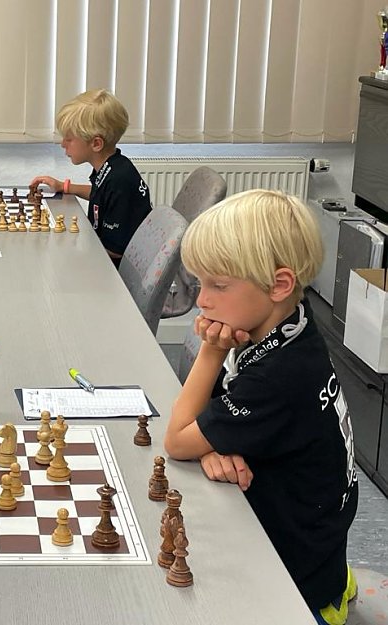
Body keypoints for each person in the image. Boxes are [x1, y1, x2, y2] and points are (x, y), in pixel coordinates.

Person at [164, 190, 358, 625]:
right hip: (320, 536)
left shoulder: (277, 377)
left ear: (279, 284)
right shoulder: (292, 324)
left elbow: (176, 439)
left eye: (218, 286)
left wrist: (211, 352)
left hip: (294, 581)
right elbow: (218, 417)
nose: (201, 301)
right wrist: (215, 441)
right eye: (200, 284)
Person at [31, 89, 151, 267]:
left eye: (69, 139)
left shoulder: (120, 179)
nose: (62, 144)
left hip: (115, 274)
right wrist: (64, 187)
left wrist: (66, 248)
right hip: (105, 261)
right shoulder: (113, 166)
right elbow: (101, 194)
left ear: (96, 143)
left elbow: (115, 251)